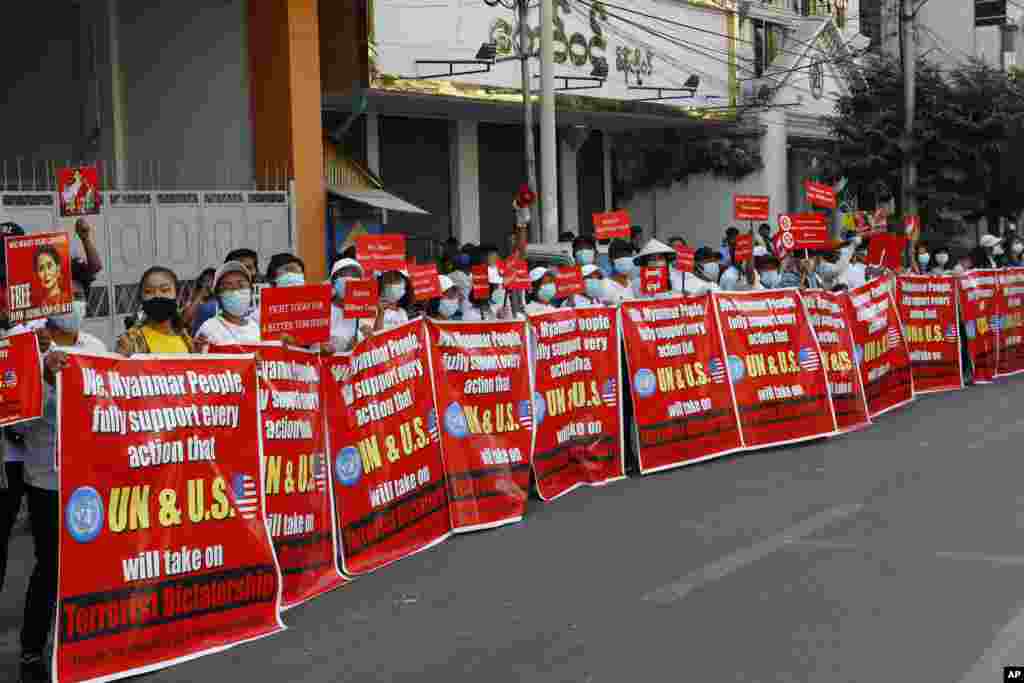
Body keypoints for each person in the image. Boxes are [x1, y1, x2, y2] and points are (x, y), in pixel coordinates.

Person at [10, 260, 106, 683]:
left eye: (79, 297)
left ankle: (89, 644)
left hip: (96, 475)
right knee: (51, 567)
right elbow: (16, 423)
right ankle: (33, 651)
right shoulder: (23, 349)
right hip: (48, 477)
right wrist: (45, 379)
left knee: (97, 562)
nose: (74, 305)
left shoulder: (97, 346)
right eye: (66, 298)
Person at [116, 267, 194, 355]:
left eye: (165, 290)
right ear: (141, 298)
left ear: (177, 296)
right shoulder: (130, 341)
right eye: (149, 291)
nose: (157, 295)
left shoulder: (186, 339)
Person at [194, 262, 261, 351]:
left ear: (251, 291)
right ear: (218, 296)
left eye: (241, 285)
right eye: (227, 287)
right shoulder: (209, 328)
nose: (235, 291)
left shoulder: (256, 328)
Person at [327, 258, 366, 352]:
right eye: (345, 275)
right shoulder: (322, 310)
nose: (350, 279)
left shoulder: (362, 311)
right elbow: (314, 352)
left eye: (354, 276)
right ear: (333, 282)